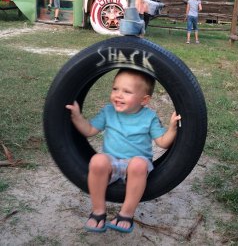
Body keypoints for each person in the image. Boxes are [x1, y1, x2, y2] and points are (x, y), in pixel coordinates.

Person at [65, 69, 181, 233]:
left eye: (127, 91)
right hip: (111, 162)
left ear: (144, 99)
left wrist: (172, 129)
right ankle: (98, 210)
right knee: (98, 160)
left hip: (136, 166)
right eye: (115, 89)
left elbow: (162, 142)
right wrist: (77, 116)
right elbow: (89, 130)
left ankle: (126, 213)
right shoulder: (108, 111)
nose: (118, 95)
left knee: (139, 164)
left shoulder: (149, 117)